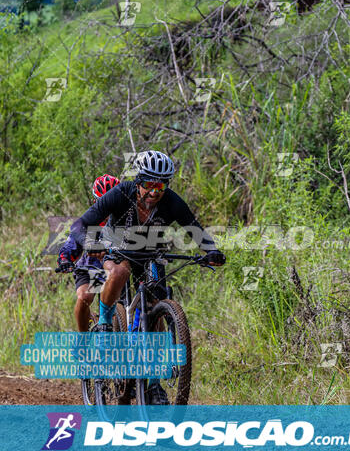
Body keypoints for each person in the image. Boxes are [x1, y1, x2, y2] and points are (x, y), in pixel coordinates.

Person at [58, 150, 226, 404]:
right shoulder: (121, 193)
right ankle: (104, 325)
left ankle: (154, 385)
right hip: (116, 250)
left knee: (155, 312)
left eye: (161, 186)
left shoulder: (172, 201)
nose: (155, 192)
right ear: (138, 182)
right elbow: (80, 225)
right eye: (149, 185)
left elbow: (195, 229)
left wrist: (211, 251)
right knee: (120, 271)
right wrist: (89, 244)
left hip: (151, 255)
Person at [58, 174, 120, 332]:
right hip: (91, 267)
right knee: (85, 296)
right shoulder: (90, 220)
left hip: (117, 268)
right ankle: (83, 338)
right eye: (103, 203)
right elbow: (73, 239)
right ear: (95, 202)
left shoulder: (127, 219)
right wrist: (65, 258)